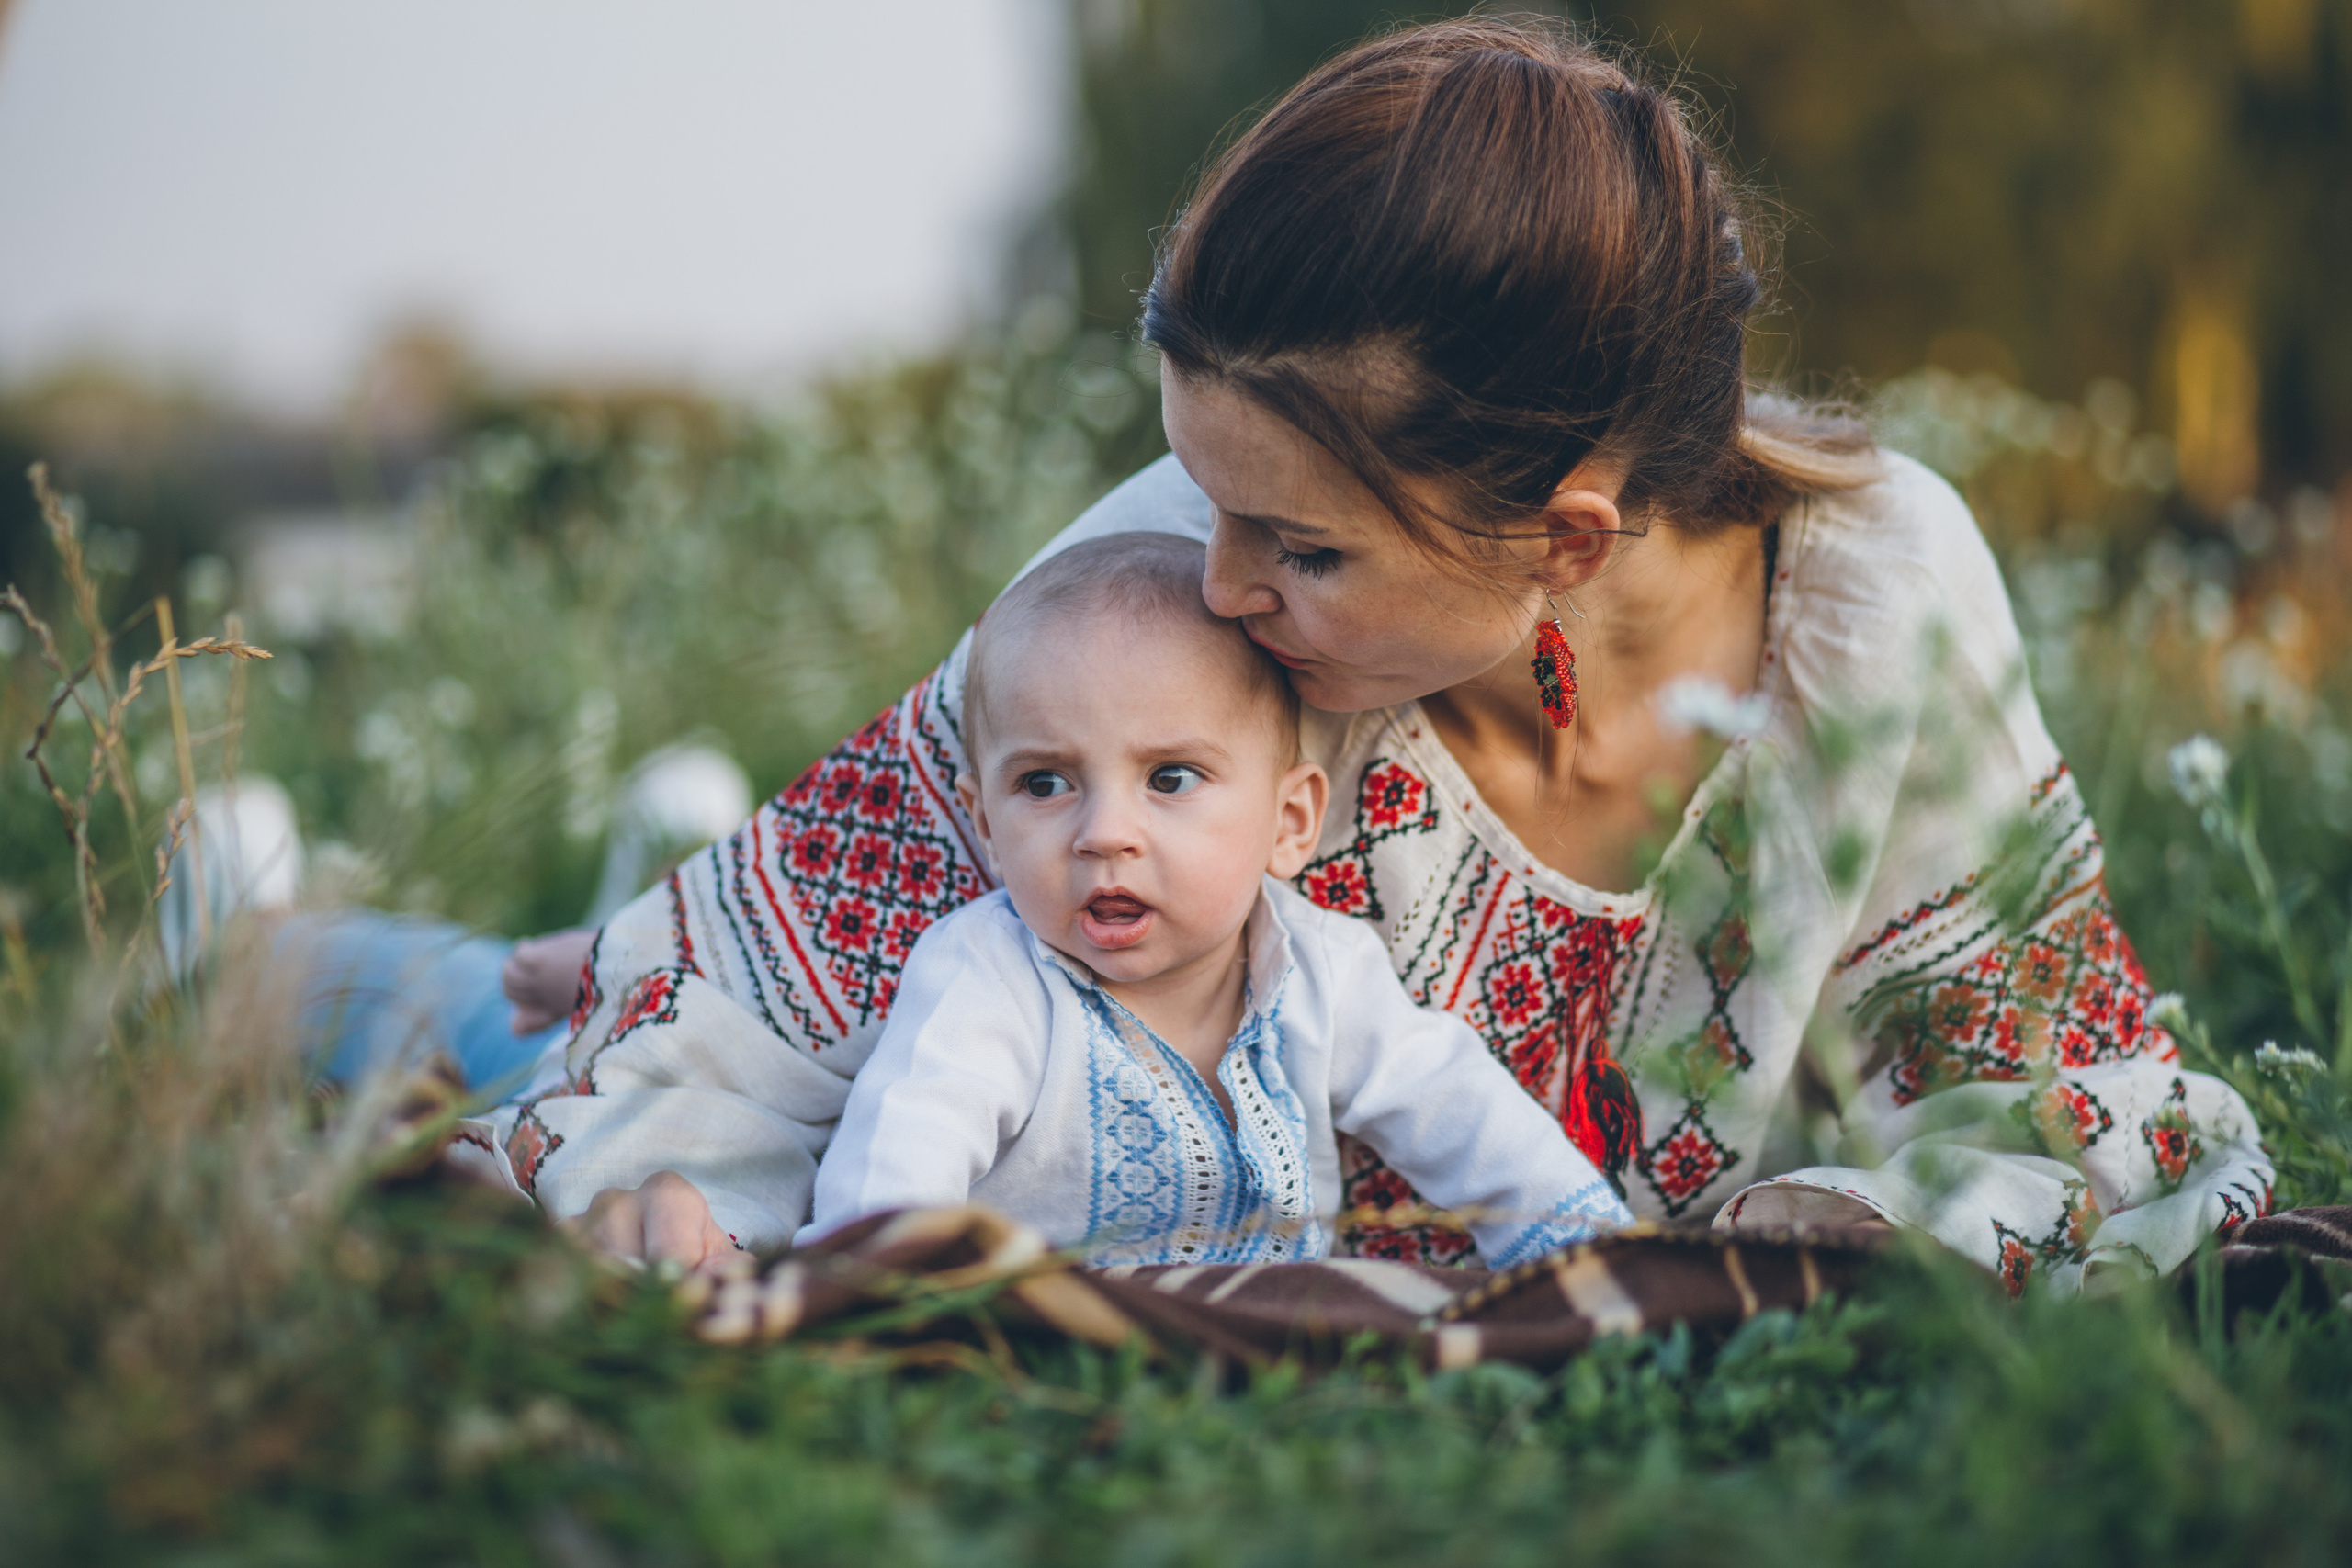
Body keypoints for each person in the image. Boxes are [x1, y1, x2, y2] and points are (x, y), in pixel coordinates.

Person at [512, 17, 2265, 1294]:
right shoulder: (1163, 605)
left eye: (1306, 545)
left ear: (1565, 537)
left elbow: (2074, 1098)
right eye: (1207, 498)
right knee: (416, 995)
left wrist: (1859, 1221)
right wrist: (658, 1169)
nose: (1222, 580)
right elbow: (754, 1010)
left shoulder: (1879, 594)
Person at [799, 533, 1631, 1265]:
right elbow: (904, 1144)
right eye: (1043, 783)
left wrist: (1580, 1245)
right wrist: (871, 1281)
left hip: (1275, 1345)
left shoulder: (1318, 969)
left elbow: (1457, 1107)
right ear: (984, 821)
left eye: (1170, 778)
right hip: (1057, 1342)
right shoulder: (989, 978)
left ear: (1289, 818)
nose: (1104, 833)